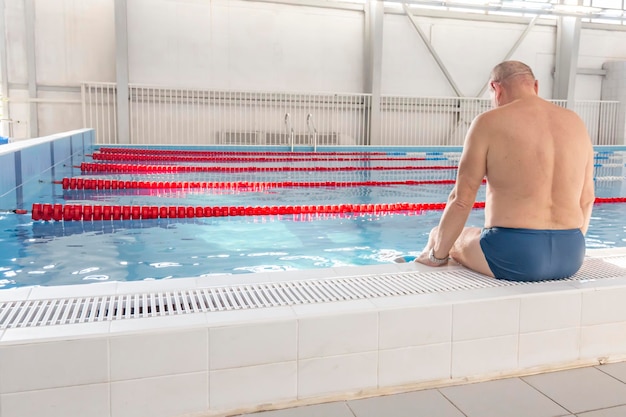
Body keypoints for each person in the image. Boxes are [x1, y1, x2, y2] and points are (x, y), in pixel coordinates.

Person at [414, 60, 595, 281]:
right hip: (572, 255)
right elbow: (587, 199)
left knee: (441, 236)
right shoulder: (575, 122)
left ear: (495, 88)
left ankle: (433, 256)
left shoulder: (487, 122)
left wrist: (437, 255)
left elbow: (461, 200)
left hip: (514, 255)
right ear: (535, 86)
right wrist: (568, 247)